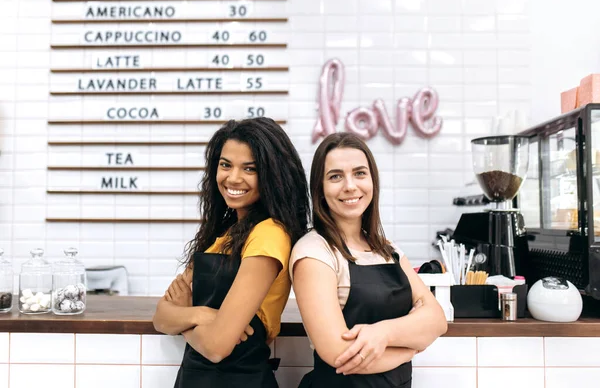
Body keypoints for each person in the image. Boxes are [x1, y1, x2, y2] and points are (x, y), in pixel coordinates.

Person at [152, 117, 310, 388]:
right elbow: (161, 317)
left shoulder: (270, 234)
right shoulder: (223, 235)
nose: (233, 177)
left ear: (273, 176)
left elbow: (216, 346)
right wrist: (202, 315)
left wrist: (187, 316)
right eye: (226, 165)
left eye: (250, 169)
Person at [290, 132, 448, 388]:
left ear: (372, 181)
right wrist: (409, 348)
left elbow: (437, 320)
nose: (350, 185)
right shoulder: (314, 252)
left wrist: (382, 333)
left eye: (360, 173)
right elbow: (339, 354)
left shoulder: (387, 249)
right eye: (335, 176)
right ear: (319, 188)